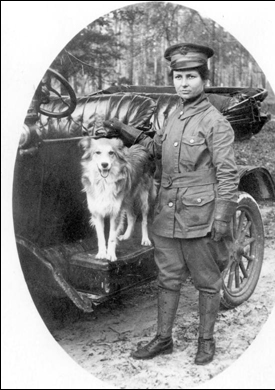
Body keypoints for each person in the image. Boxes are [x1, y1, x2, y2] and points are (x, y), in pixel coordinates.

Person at [103, 43, 239, 365]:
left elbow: (229, 175)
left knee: (207, 282)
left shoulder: (214, 122)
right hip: (167, 215)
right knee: (167, 279)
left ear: (204, 78)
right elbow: (155, 147)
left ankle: (206, 341)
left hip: (201, 216)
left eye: (191, 76)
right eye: (178, 76)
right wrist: (122, 129)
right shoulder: (175, 115)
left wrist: (222, 220)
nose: (183, 83)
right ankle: (164, 339)